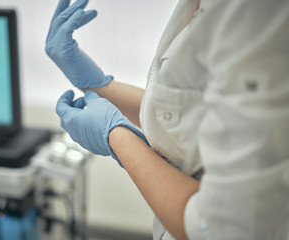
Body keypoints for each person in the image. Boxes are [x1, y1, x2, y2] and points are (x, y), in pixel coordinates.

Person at [45, 0, 289, 239]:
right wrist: (101, 87)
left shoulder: (258, 14)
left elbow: (219, 229)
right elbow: (200, 111)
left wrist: (116, 135)